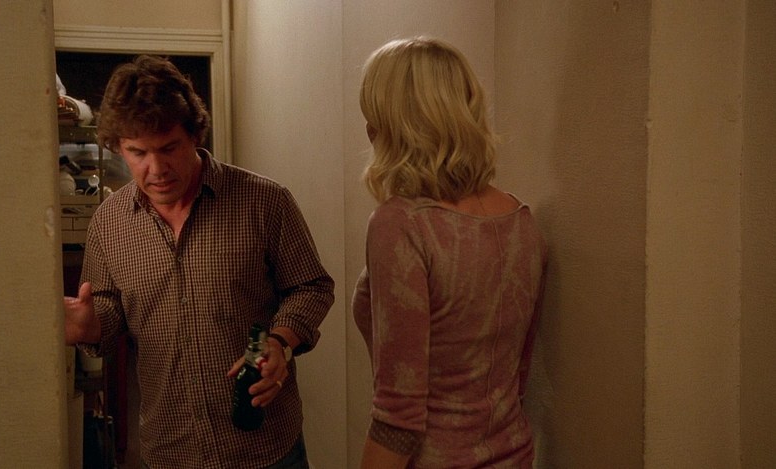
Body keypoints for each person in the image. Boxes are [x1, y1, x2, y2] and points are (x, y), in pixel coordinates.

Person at [63, 55, 334, 469]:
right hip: (171, 447)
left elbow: (310, 286)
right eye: (137, 152)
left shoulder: (264, 201)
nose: (156, 169)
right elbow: (111, 306)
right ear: (118, 147)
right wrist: (91, 325)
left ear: (194, 134)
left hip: (265, 447)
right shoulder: (108, 222)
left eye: (168, 148)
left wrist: (281, 341)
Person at [351, 37, 548, 468]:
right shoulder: (521, 220)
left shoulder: (401, 225)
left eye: (374, 117)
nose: (369, 131)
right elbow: (517, 379)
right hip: (515, 455)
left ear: (394, 126)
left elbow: (398, 417)